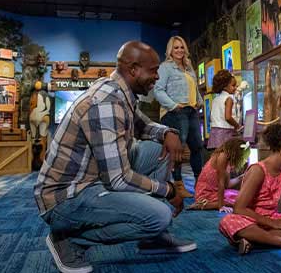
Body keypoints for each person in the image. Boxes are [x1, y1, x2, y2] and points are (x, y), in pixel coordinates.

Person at [34, 41, 196, 273]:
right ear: (134, 70)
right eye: (153, 70)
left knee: (154, 149)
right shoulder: (106, 102)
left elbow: (142, 125)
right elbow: (118, 179)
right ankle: (70, 241)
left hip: (93, 179)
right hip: (65, 199)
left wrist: (167, 133)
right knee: (160, 215)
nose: (157, 77)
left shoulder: (119, 90)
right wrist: (169, 190)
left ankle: (153, 238)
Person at [219, 103, 281, 255]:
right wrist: (272, 223)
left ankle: (256, 242)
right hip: (252, 221)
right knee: (228, 222)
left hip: (271, 221)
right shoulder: (258, 171)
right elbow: (239, 208)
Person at [154, 36, 203, 198]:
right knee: (178, 149)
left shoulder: (189, 68)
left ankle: (200, 185)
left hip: (191, 110)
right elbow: (158, 90)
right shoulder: (165, 67)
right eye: (176, 48)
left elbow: (194, 88)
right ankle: (178, 185)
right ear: (170, 50)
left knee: (197, 146)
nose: (179, 50)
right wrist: (173, 105)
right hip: (174, 111)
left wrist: (200, 102)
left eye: (182, 47)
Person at [188, 137, 249, 212]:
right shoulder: (222, 156)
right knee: (237, 202)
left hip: (215, 192)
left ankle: (209, 203)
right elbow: (221, 183)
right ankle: (203, 205)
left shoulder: (227, 161)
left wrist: (242, 177)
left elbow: (227, 185)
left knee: (242, 198)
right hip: (206, 193)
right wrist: (221, 206)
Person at [208, 70, 240, 150]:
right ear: (225, 86)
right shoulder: (229, 99)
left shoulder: (215, 99)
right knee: (225, 158)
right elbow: (228, 117)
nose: (235, 88)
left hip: (214, 133)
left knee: (217, 159)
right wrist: (237, 126)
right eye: (233, 85)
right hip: (225, 133)